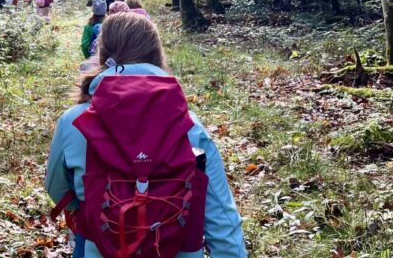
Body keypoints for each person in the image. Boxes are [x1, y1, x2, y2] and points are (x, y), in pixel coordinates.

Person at [45, 13, 246, 258]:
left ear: (103, 56)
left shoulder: (74, 122)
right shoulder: (188, 126)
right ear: (156, 55)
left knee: (85, 238)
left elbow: (56, 187)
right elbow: (221, 219)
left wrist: (87, 208)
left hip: (100, 248)